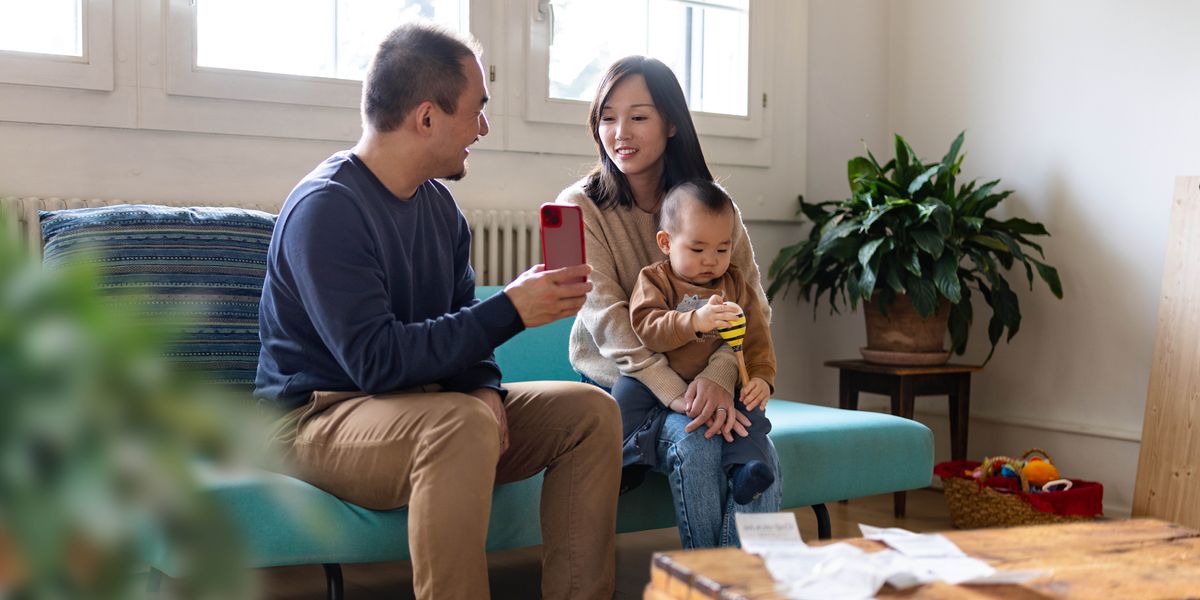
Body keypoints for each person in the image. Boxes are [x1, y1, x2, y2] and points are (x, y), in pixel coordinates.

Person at [254, 22, 622, 600]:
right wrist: (509, 311)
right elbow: (375, 362)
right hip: (317, 418)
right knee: (458, 425)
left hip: (427, 408)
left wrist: (482, 386)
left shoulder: (441, 209)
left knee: (590, 413)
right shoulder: (327, 209)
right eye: (476, 109)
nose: (483, 127)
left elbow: (458, 324)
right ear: (426, 118)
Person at [556, 55, 782, 549]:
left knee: (754, 445)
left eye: (638, 116)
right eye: (607, 117)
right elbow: (605, 318)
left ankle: (743, 584)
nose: (620, 132)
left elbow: (749, 306)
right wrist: (671, 388)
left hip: (703, 374)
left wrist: (718, 377)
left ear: (671, 123)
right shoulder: (578, 206)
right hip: (621, 384)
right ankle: (711, 580)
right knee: (698, 440)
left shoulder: (713, 205)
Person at [623, 179, 776, 506]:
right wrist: (694, 321)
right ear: (666, 242)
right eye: (697, 249)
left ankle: (746, 469)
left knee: (752, 410)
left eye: (722, 249)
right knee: (624, 393)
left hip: (715, 381)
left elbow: (756, 335)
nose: (711, 260)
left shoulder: (734, 282)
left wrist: (762, 376)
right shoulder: (654, 279)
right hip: (663, 378)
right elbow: (646, 327)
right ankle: (629, 461)